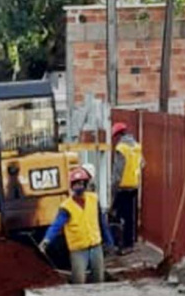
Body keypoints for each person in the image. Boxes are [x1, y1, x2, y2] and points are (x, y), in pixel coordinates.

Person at [39, 167, 114, 284]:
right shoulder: (66, 207)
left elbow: (102, 223)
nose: (79, 186)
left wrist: (109, 241)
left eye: (81, 183)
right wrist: (46, 240)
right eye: (76, 184)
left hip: (95, 246)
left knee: (99, 279)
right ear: (72, 186)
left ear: (85, 184)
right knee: (79, 281)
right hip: (78, 250)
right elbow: (56, 225)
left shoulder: (93, 199)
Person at [112, 122, 143, 252]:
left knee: (118, 215)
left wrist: (113, 188)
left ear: (118, 135)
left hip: (122, 187)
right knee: (130, 216)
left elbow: (118, 170)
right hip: (134, 186)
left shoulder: (121, 148)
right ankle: (130, 243)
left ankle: (121, 244)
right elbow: (142, 164)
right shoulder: (136, 146)